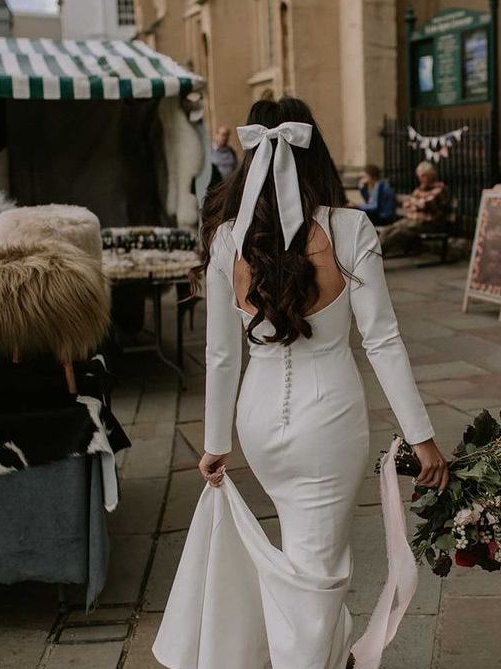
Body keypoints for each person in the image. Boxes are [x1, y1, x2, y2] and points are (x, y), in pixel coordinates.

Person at [152, 97, 448, 669]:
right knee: (320, 576)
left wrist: (216, 442)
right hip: (329, 426)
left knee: (305, 560)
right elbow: (381, 340)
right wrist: (421, 435)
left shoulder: (226, 240)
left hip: (258, 424)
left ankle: (331, 657)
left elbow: (219, 354)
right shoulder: (350, 228)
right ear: (315, 154)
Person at [378, 161, 450, 255]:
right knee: (387, 230)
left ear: (431, 175)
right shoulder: (420, 189)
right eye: (419, 176)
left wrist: (414, 202)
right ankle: (372, 255)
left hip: (429, 222)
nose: (421, 179)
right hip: (412, 220)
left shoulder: (440, 189)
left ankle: (375, 257)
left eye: (423, 176)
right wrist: (414, 203)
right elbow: (406, 204)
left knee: (397, 233)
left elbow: (426, 204)